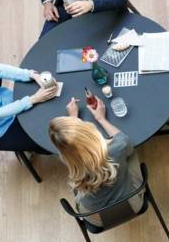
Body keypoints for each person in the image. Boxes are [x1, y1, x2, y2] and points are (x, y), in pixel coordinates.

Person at [49, 96, 144, 225]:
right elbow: (123, 140)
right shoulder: (116, 148)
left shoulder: (67, 157)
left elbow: (72, 145)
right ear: (89, 132)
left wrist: (72, 121)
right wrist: (101, 118)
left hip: (95, 218)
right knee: (130, 153)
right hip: (131, 207)